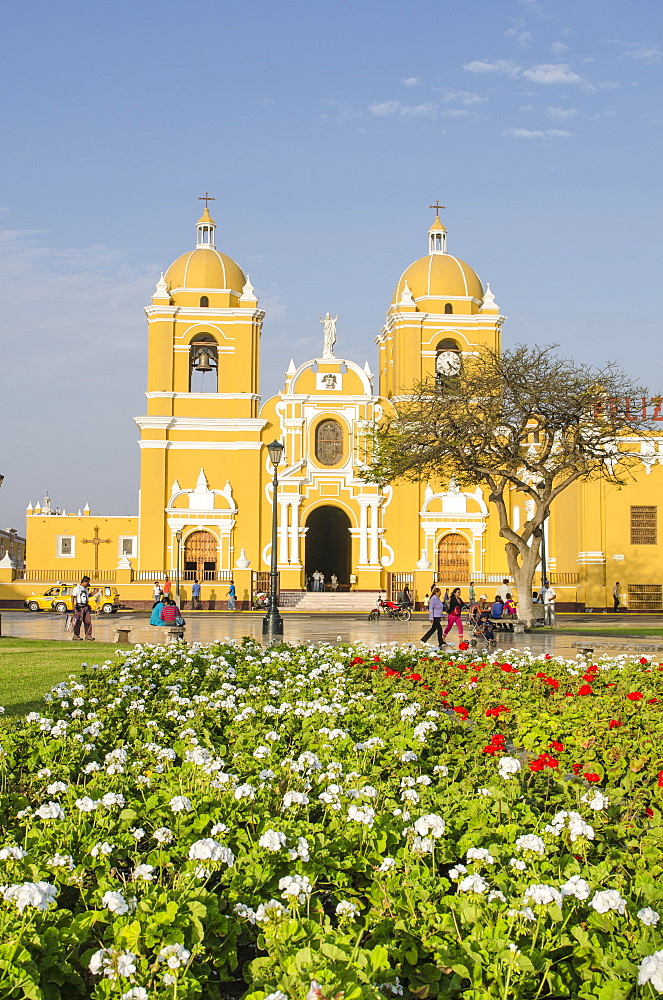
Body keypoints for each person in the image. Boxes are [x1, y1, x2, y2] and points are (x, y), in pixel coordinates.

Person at [71, 575, 94, 640]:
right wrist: (72, 606)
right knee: (78, 621)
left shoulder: (86, 589)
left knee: (88, 621)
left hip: (85, 606)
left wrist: (94, 593)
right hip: (79, 607)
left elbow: (87, 596)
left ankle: (88, 635)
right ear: (84, 582)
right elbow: (73, 596)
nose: (88, 584)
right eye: (87, 583)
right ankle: (76, 635)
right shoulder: (77, 588)